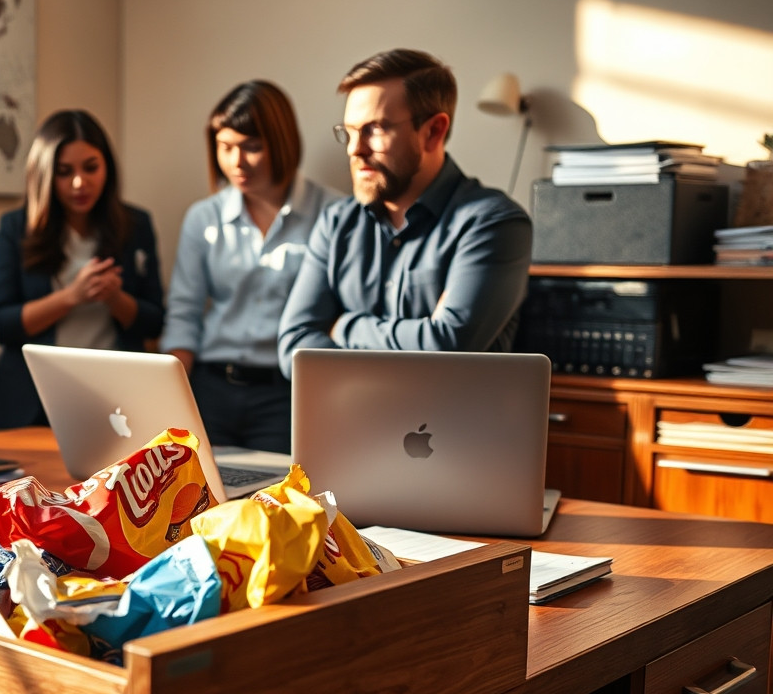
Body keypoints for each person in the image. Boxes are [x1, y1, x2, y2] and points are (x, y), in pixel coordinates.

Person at [277, 48, 532, 378]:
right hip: (350, 426)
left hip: (449, 429)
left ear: (433, 131)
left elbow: (447, 348)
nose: (355, 149)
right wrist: (421, 335)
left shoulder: (494, 223)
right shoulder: (336, 223)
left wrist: (343, 326)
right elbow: (293, 349)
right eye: (350, 131)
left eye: (376, 129)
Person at [159, 81, 343, 453]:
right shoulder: (203, 217)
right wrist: (168, 398)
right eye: (225, 147)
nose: (236, 162)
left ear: (282, 143)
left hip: (287, 392)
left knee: (274, 500)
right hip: (211, 388)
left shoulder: (333, 213)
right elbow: (184, 312)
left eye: (251, 147)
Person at [0, 110, 164, 430]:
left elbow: (155, 322)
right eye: (64, 172)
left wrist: (115, 299)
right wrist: (71, 297)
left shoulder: (135, 225)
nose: (80, 183)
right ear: (45, 175)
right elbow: (0, 324)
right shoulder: (16, 227)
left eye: (91, 167)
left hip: (116, 401)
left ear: (107, 166)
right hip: (33, 401)